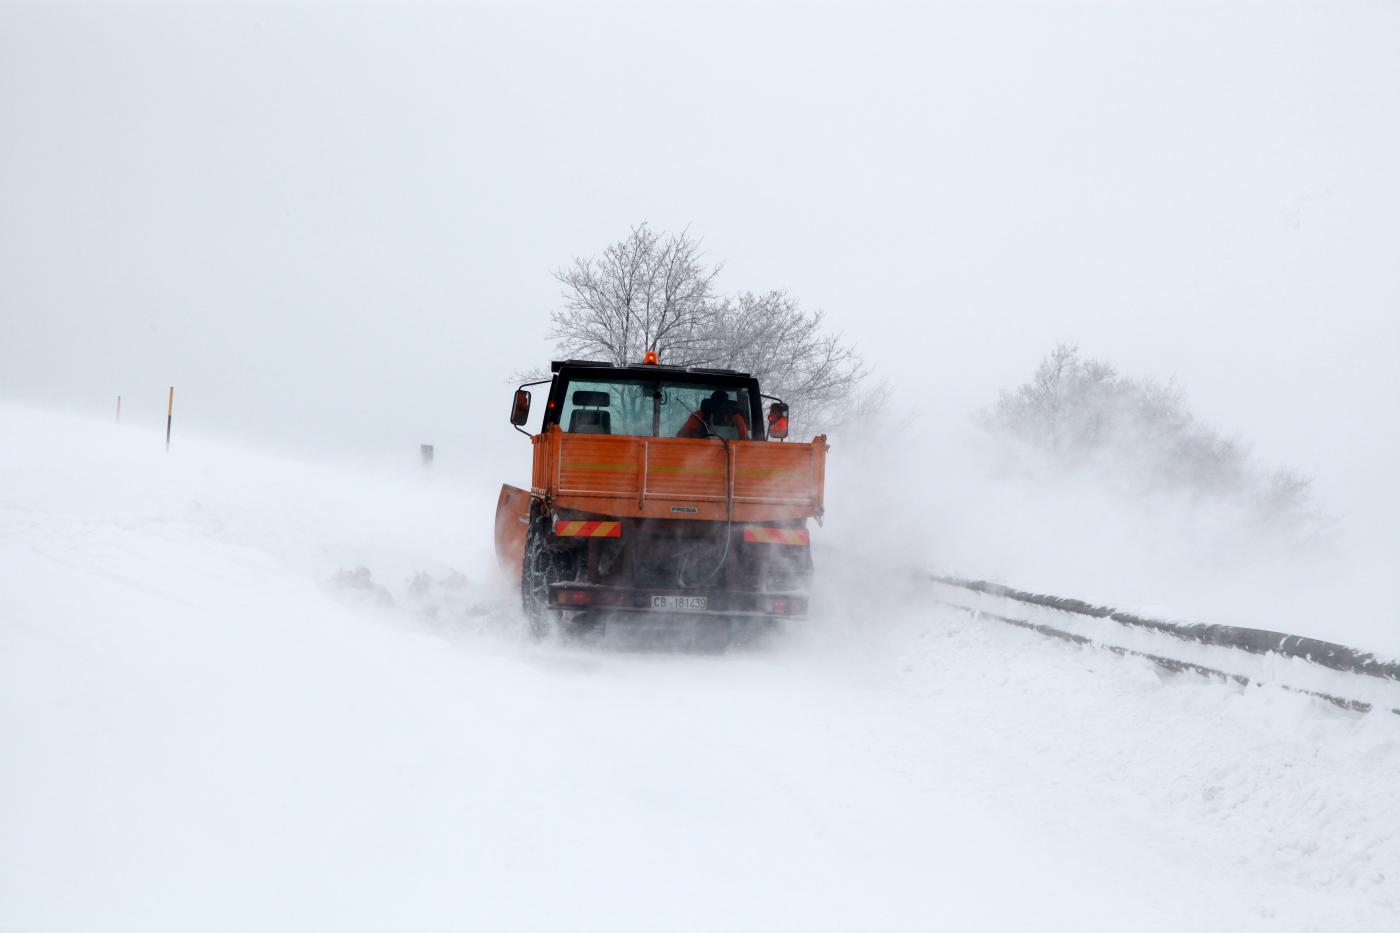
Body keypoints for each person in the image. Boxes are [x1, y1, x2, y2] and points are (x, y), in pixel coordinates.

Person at [677, 390, 749, 439]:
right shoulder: (698, 416)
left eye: (722, 401)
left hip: (733, 454)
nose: (719, 405)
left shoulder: (736, 418)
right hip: (698, 453)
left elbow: (746, 442)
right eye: (717, 401)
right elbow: (682, 437)